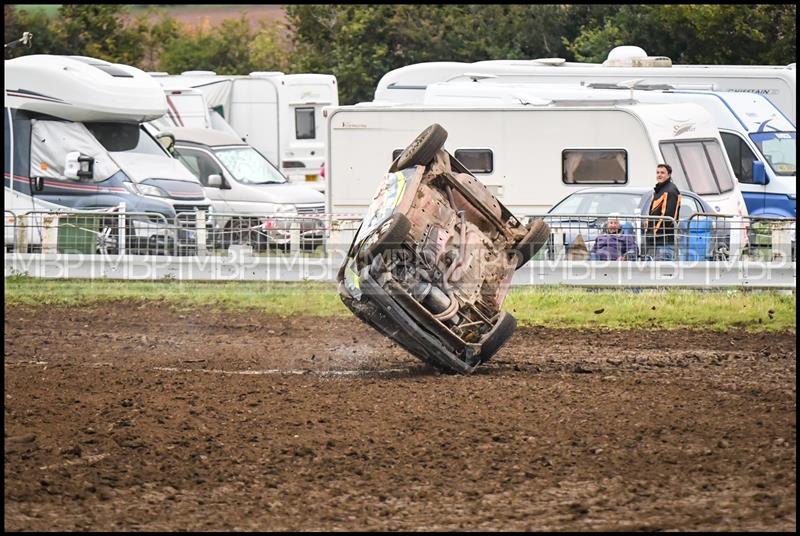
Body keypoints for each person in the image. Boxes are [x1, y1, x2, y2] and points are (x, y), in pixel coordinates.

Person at [645, 163, 681, 260]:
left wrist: (654, 233)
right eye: (657, 172)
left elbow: (668, 216)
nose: (659, 175)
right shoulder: (659, 189)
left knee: (663, 271)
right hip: (654, 240)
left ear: (669, 175)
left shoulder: (670, 190)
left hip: (663, 240)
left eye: (662, 173)